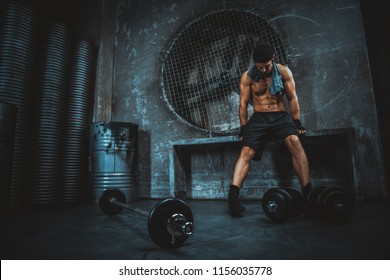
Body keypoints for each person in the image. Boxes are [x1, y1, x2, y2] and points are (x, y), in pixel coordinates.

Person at [228, 43, 312, 217]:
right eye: (260, 67)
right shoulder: (248, 76)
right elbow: (243, 104)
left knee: (295, 142)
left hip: (280, 117)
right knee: (246, 152)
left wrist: (296, 123)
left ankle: (308, 194)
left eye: (266, 66)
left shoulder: (283, 72)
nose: (264, 70)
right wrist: (244, 127)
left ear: (273, 58)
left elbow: (292, 98)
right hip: (259, 119)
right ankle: (233, 198)